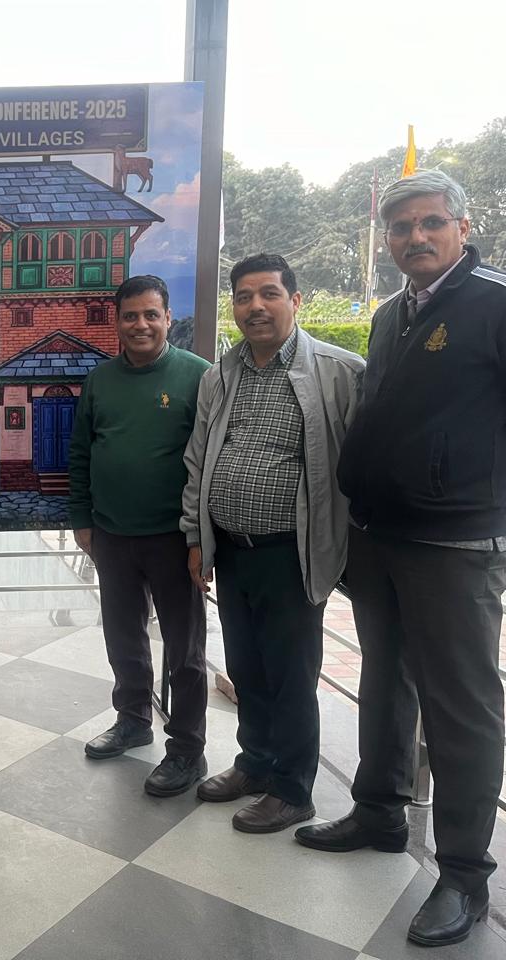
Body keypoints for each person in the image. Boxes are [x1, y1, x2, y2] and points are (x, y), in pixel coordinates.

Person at [298, 170, 506, 948]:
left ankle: (463, 875)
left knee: (462, 709)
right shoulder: (392, 313)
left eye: (430, 222)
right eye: (400, 227)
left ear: (462, 225)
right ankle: (380, 810)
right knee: (384, 681)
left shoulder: (494, 302)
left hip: (455, 543)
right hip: (380, 536)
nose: (415, 237)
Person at [181, 253, 363, 833]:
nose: (255, 307)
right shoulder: (220, 375)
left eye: (269, 294)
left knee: (290, 674)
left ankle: (292, 789)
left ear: (295, 300)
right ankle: (255, 763)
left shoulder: (340, 372)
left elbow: (364, 463)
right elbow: (198, 461)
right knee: (246, 665)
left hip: (294, 553)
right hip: (233, 550)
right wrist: (197, 537)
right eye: (243, 297)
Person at [68, 275, 211, 797]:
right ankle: (132, 720)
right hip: (112, 534)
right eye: (130, 315)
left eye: (151, 314)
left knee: (185, 649)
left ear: (168, 318)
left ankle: (187, 748)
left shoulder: (199, 376)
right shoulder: (100, 380)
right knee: (123, 636)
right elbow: (81, 452)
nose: (141, 324)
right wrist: (82, 518)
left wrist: (201, 537)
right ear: (118, 322)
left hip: (175, 538)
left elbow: (210, 462)